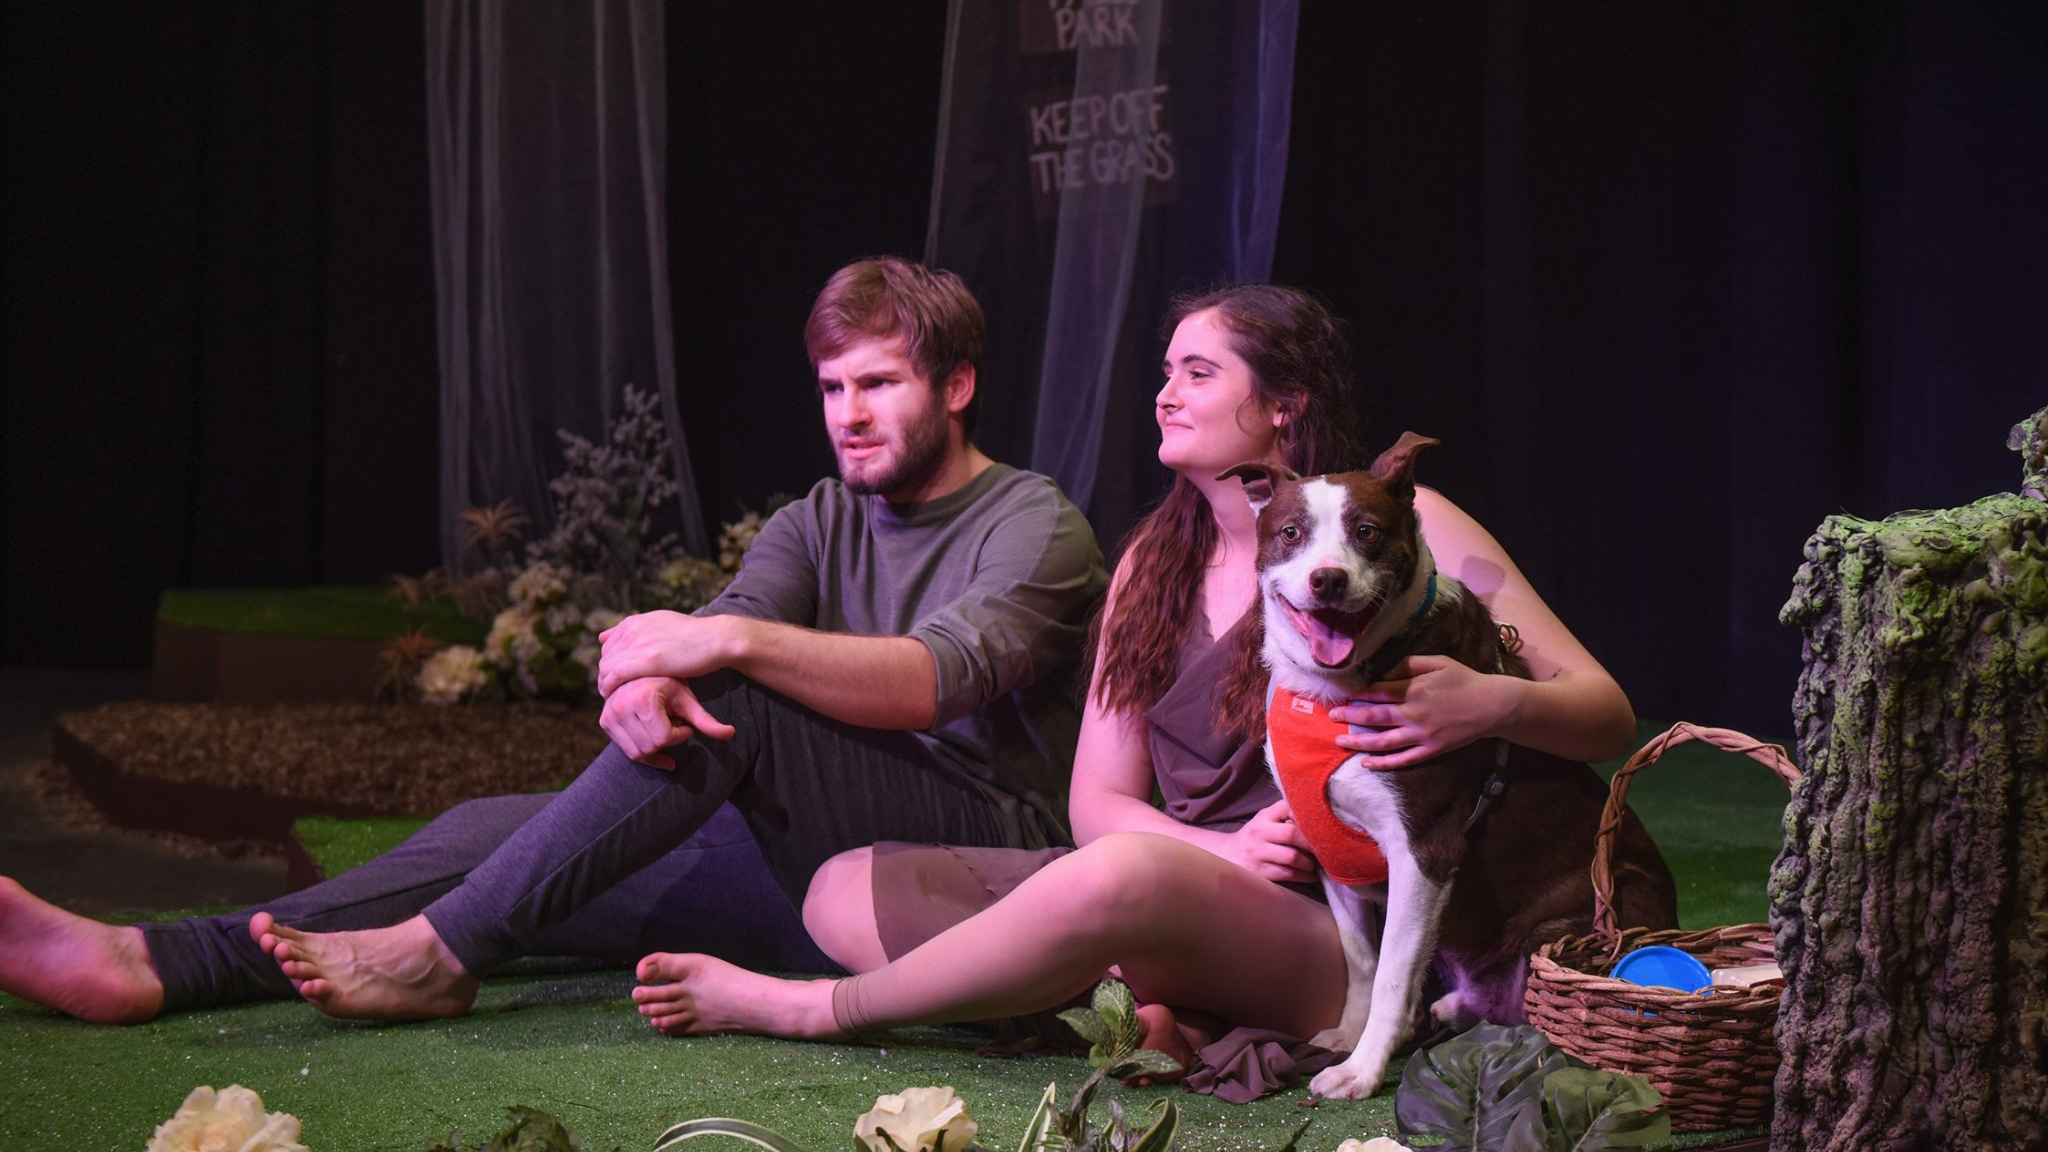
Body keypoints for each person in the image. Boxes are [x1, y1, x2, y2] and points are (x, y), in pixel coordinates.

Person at [0, 256, 1107, 1025]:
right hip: (805, 859)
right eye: (831, 387)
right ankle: (154, 961)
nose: (847, 414)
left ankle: (443, 957)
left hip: (975, 873)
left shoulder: (1033, 523)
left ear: (956, 387)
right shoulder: (815, 519)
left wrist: (711, 649)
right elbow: (711, 634)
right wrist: (646, 684)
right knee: (491, 832)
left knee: (740, 680)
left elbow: (931, 683)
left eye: (879, 384)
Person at [625, 283, 1639, 1098]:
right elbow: (1097, 804)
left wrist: (1492, 700)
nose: (1165, 395)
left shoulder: (1400, 529)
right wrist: (1218, 849)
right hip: (1187, 881)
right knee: (843, 884)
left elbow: (1607, 711)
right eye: (1164, 372)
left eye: (1197, 373)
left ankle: (814, 1009)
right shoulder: (1153, 561)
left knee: (1113, 879)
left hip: (1325, 923)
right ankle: (1139, 1001)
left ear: (1283, 402)